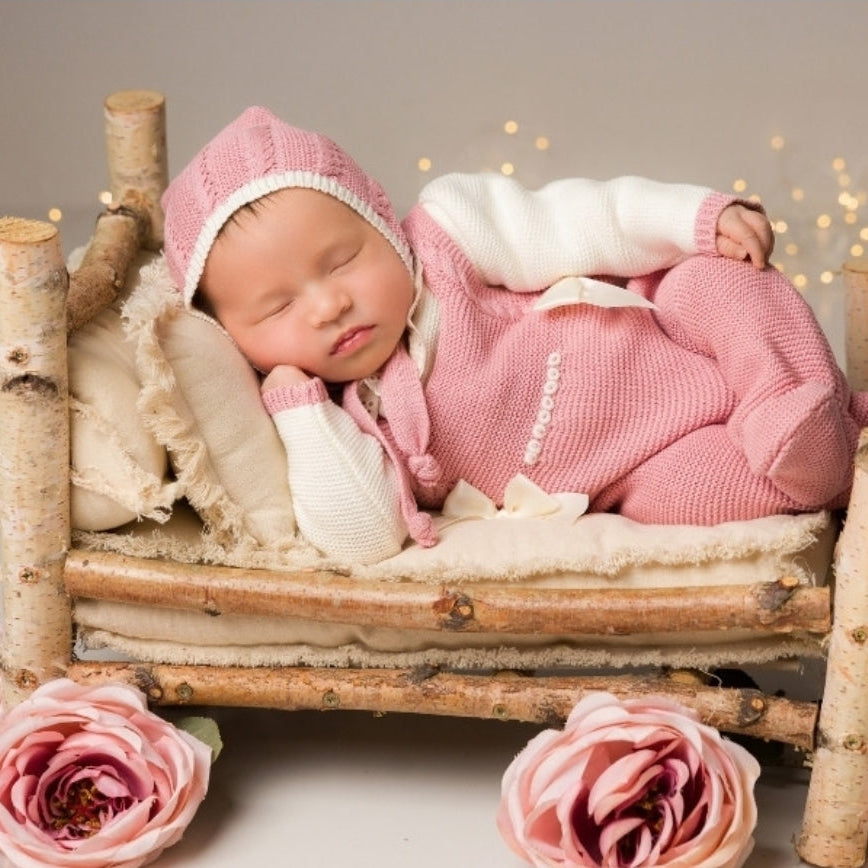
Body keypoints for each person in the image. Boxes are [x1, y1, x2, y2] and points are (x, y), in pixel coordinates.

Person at [161, 106, 868, 563]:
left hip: (673, 332)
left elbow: (577, 217)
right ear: (233, 337)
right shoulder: (357, 421)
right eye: (277, 307)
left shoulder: (446, 240)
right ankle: (823, 465)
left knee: (716, 281)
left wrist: (693, 218)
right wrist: (301, 413)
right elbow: (363, 537)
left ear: (380, 221)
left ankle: (792, 403)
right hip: (642, 466)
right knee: (681, 502)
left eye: (343, 260)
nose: (327, 307)